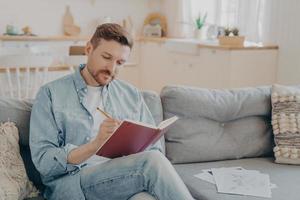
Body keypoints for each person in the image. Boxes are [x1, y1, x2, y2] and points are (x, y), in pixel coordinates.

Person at [29, 23, 194, 200]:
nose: (112, 68)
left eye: (120, 62)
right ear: (89, 48)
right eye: (107, 57)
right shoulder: (51, 94)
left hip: (123, 179)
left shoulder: (131, 95)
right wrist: (95, 144)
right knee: (151, 162)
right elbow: (44, 162)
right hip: (74, 183)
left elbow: (154, 150)